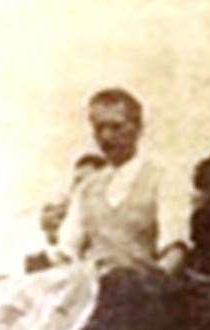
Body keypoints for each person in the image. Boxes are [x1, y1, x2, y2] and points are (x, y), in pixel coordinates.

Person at [58, 87, 186, 272]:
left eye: (116, 126)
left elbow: (175, 250)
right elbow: (67, 251)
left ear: (138, 128)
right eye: (99, 128)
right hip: (95, 289)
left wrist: (153, 287)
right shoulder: (87, 188)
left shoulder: (163, 178)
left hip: (145, 289)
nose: (106, 136)